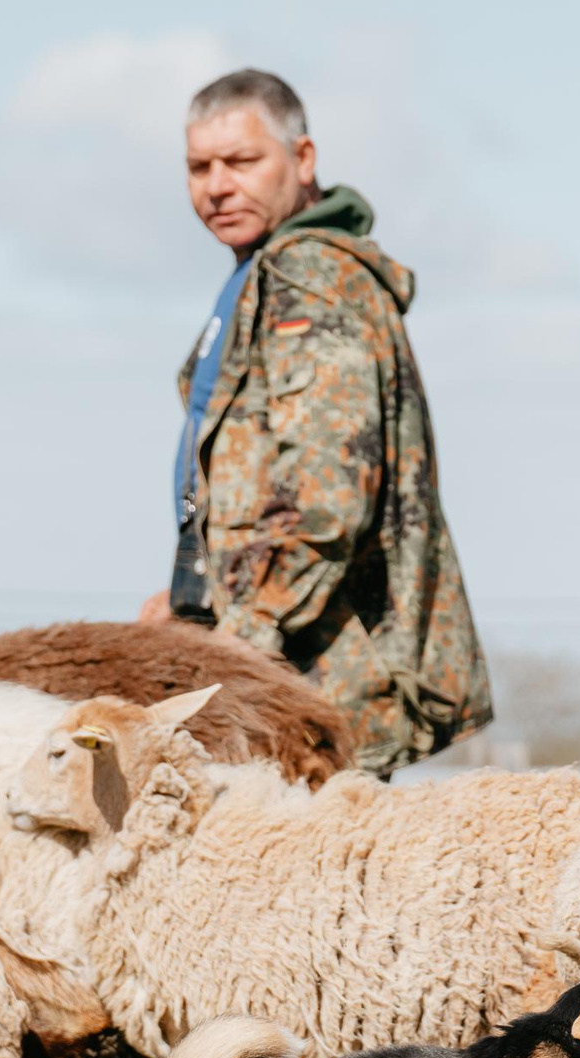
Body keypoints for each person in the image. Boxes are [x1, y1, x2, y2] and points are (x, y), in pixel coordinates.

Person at [146, 69, 492, 775]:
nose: (217, 186)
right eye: (198, 167)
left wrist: (228, 646)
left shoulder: (309, 278)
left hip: (319, 681)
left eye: (242, 161)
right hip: (280, 668)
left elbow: (324, 501)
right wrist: (190, 608)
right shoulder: (259, 277)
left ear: (302, 161)